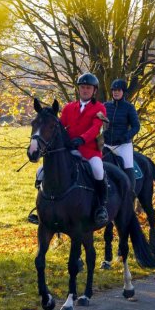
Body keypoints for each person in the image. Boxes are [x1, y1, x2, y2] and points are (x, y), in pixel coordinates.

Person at [60, 73, 109, 225]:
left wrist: (82, 139)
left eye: (88, 88)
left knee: (98, 170)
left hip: (90, 151)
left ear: (94, 90)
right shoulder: (68, 108)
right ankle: (43, 207)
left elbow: (96, 128)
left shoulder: (100, 108)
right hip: (69, 152)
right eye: (82, 87)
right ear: (78, 89)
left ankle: (101, 207)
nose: (85, 90)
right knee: (42, 171)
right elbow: (60, 128)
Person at [103, 79, 140, 193]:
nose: (116, 92)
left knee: (128, 166)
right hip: (106, 144)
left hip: (123, 145)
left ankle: (130, 193)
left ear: (123, 92)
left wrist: (125, 137)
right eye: (114, 90)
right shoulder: (105, 106)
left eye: (118, 90)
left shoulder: (129, 107)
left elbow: (136, 127)